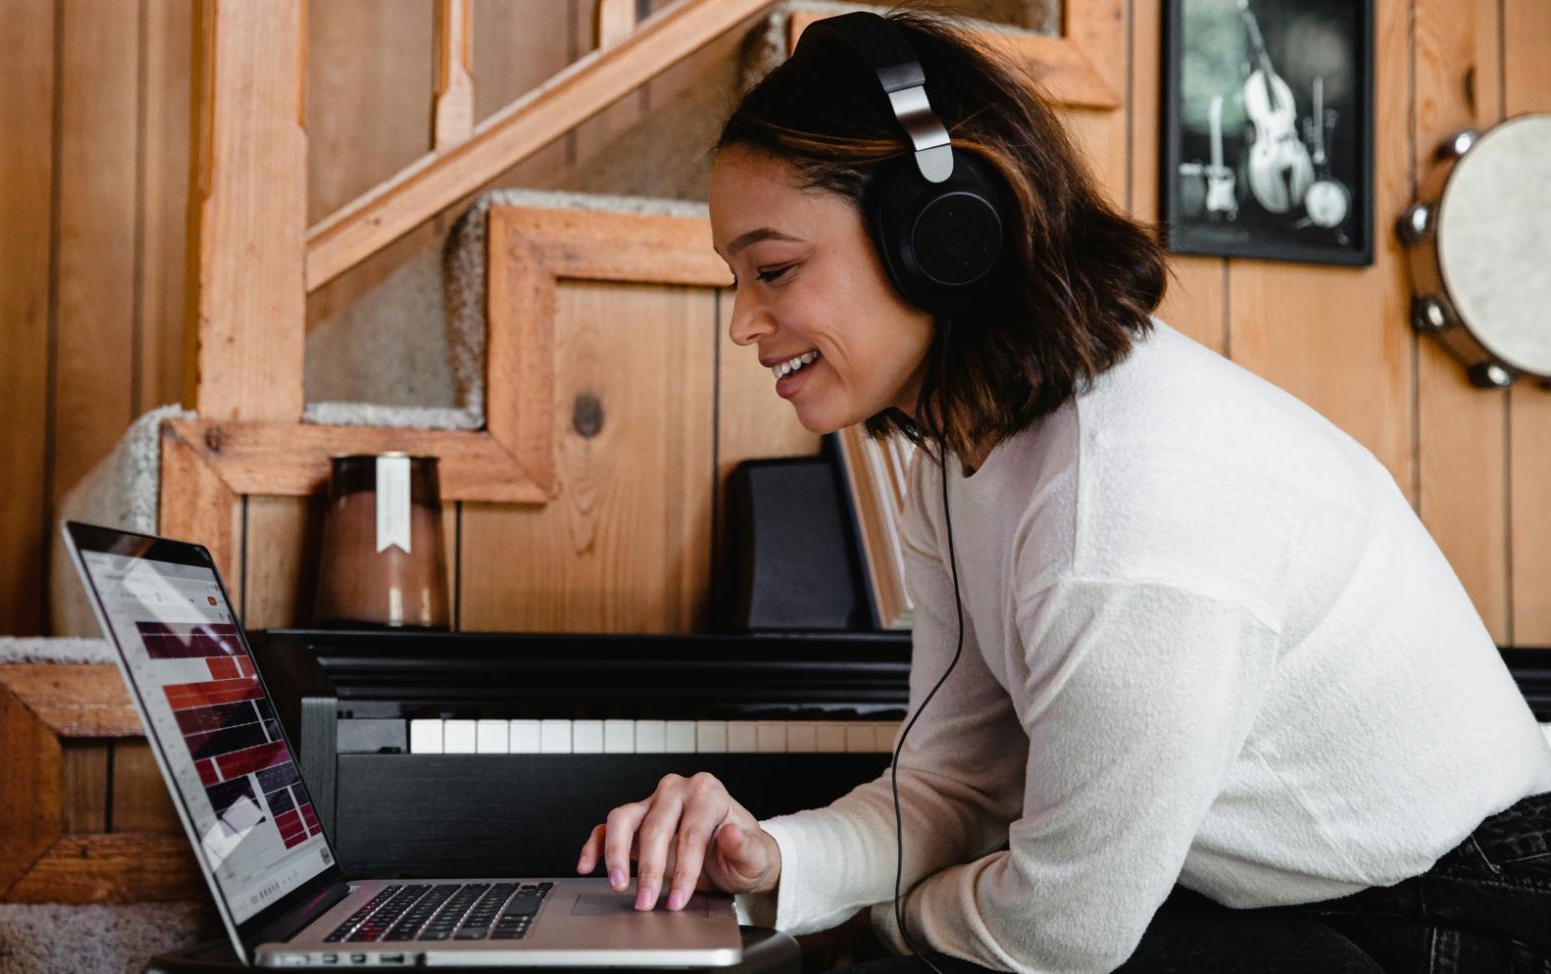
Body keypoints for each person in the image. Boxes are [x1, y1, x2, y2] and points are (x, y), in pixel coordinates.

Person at [573, 10, 1551, 973]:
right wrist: (776, 858)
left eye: (773, 269)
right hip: (1297, 891)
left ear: (942, 234)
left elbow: (1063, 930)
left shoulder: (1129, 503)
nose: (744, 323)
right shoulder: (960, 452)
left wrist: (876, 921)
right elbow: (956, 785)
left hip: (1465, 910)